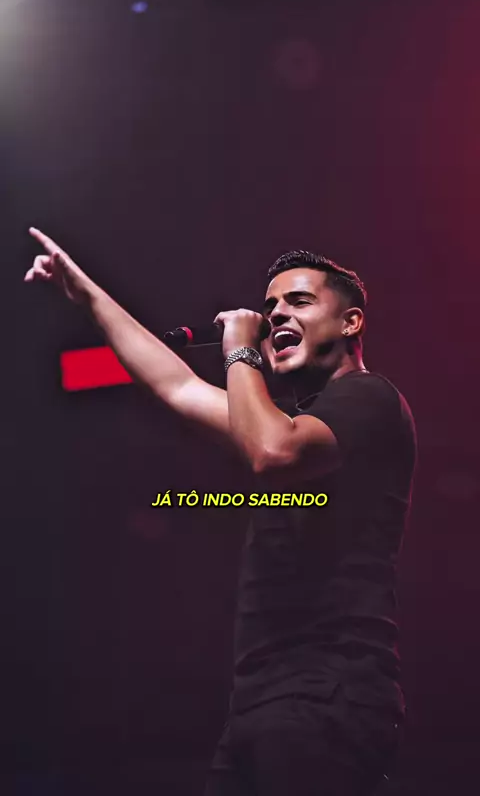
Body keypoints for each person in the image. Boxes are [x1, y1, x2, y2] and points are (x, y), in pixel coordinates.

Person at [25, 231, 416, 796]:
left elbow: (271, 452)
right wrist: (86, 294)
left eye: (299, 301)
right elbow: (179, 387)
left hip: (328, 695)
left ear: (351, 322)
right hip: (260, 702)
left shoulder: (370, 398)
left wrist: (240, 351)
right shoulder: (287, 422)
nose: (275, 314)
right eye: (270, 306)